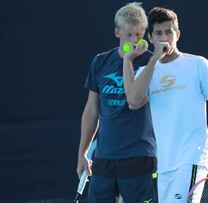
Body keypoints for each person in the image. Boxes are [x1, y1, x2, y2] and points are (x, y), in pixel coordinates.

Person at [123, 7, 208, 202]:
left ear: (178, 34)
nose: (165, 37)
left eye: (169, 32)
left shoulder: (198, 64)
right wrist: (154, 59)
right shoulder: (145, 72)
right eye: (158, 33)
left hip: (192, 157)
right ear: (150, 38)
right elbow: (133, 101)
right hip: (162, 165)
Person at [76, 2, 157, 203]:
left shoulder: (151, 62)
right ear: (117, 32)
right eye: (129, 34)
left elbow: (136, 101)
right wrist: (82, 153)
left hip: (139, 156)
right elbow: (91, 110)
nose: (135, 40)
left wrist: (129, 60)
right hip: (104, 158)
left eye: (139, 34)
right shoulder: (100, 61)